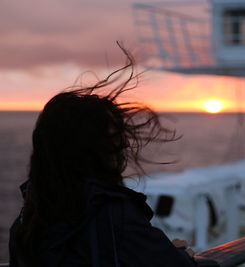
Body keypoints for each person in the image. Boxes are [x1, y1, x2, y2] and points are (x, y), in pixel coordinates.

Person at [8, 44, 197, 267]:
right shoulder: (114, 216)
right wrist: (184, 254)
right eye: (115, 138)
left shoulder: (27, 223)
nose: (124, 145)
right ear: (93, 150)